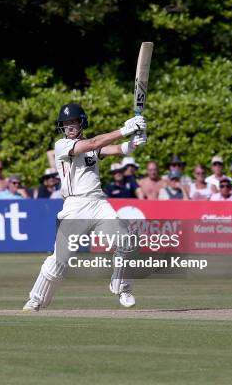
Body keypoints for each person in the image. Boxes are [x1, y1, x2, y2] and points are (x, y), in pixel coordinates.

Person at [23, 102, 147, 312]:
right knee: (59, 261)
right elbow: (91, 144)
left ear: (82, 122)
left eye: (73, 122)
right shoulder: (62, 144)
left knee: (127, 241)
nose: (70, 126)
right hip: (75, 206)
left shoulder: (92, 147)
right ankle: (36, 300)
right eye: (66, 123)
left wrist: (135, 142)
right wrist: (125, 129)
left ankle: (122, 287)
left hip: (98, 203)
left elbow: (116, 149)